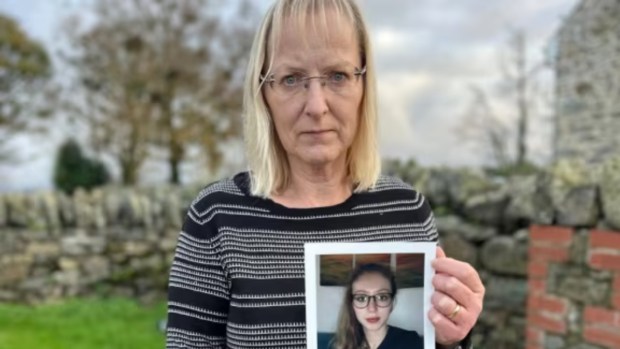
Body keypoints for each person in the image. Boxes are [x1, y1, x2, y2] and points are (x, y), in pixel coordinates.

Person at [165, 0, 485, 348]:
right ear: (263, 93)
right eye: (291, 79)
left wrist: (449, 338)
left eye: (337, 76)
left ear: (363, 85)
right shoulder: (217, 216)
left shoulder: (407, 211)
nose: (316, 106)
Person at [331, 263, 423, 349]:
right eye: (361, 298)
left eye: (382, 297)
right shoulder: (341, 344)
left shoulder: (411, 341)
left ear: (392, 303)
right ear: (352, 304)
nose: (372, 309)